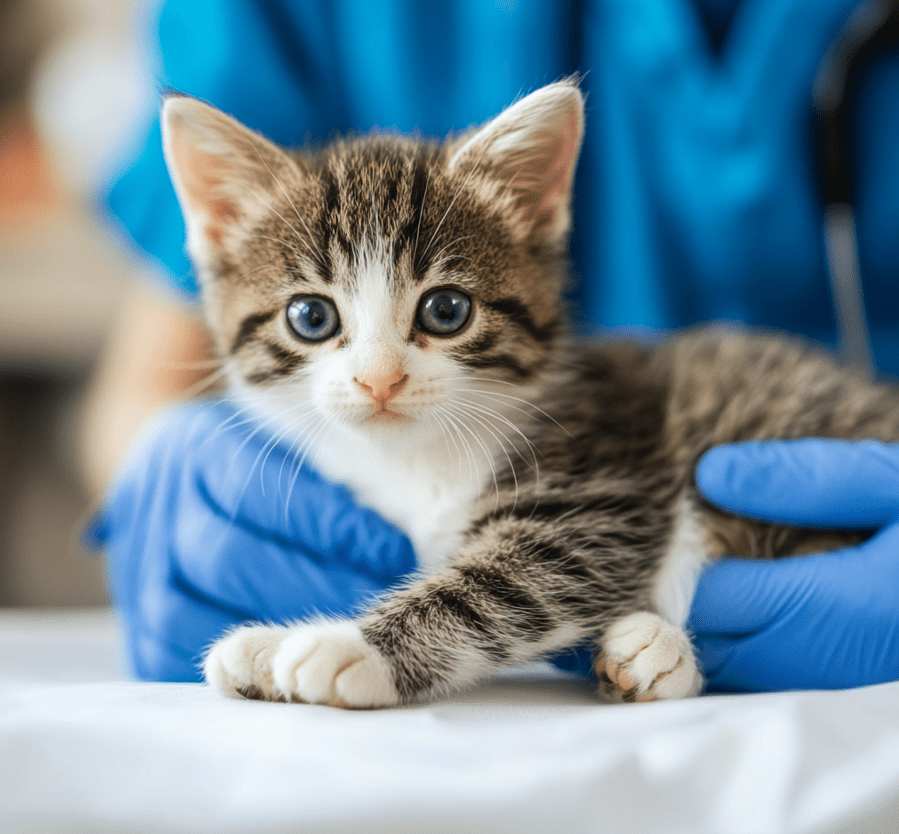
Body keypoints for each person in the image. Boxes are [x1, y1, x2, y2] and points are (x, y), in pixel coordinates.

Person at [89, 0, 899, 691]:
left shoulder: (535, 439)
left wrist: (385, 651)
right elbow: (140, 394)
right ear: (220, 230)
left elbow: (567, 555)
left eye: (441, 312)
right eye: (313, 320)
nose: (377, 374)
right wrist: (151, 490)